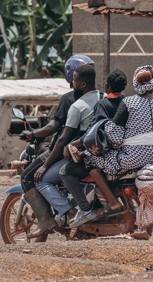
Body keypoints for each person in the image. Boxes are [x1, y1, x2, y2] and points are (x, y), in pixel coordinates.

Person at [66, 65, 153, 227]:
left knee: (90, 159)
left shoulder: (129, 102)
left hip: (131, 158)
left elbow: (114, 136)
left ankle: (111, 201)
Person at [20, 55, 96, 238]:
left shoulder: (69, 99)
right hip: (85, 150)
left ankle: (49, 219)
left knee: (28, 178)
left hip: (62, 151)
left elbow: (54, 128)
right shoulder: (97, 97)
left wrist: (32, 134)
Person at [34, 64, 103, 231]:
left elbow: (63, 137)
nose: (73, 85)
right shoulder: (105, 98)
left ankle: (72, 213)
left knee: (42, 180)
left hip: (84, 158)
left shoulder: (78, 106)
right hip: (104, 155)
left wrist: (45, 165)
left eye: (74, 81)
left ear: (83, 84)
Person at [59, 69, 128, 227]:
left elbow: (94, 133)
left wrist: (72, 144)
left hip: (107, 153)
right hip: (125, 152)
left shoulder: (102, 104)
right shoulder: (127, 102)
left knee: (68, 170)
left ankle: (89, 208)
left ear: (107, 85)